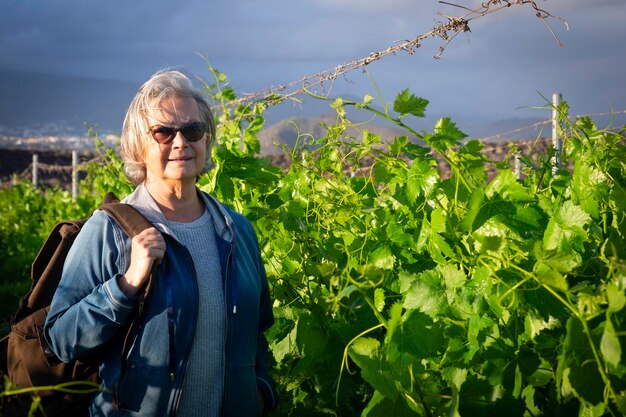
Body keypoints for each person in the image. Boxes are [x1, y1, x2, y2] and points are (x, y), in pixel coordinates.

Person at [43, 69, 279, 417]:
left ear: (206, 140)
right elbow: (59, 340)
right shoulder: (108, 230)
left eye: (192, 130)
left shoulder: (237, 230)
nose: (180, 142)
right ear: (139, 147)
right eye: (163, 132)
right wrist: (125, 286)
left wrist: (261, 392)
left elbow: (257, 329)